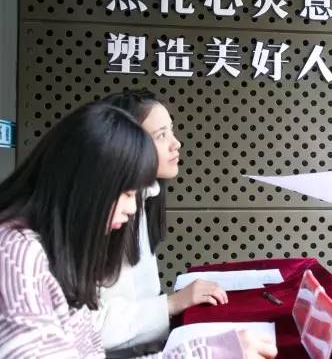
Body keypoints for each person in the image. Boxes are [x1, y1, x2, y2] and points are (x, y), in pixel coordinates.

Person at [0, 102, 277, 358]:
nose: (132, 207)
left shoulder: (46, 248)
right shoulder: (15, 256)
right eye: (128, 193)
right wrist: (203, 353)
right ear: (89, 184)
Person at [95, 89, 229, 354]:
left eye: (171, 131)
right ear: (126, 143)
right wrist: (172, 304)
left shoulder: (145, 197)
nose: (176, 144)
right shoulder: (105, 214)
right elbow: (91, 328)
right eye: (161, 135)